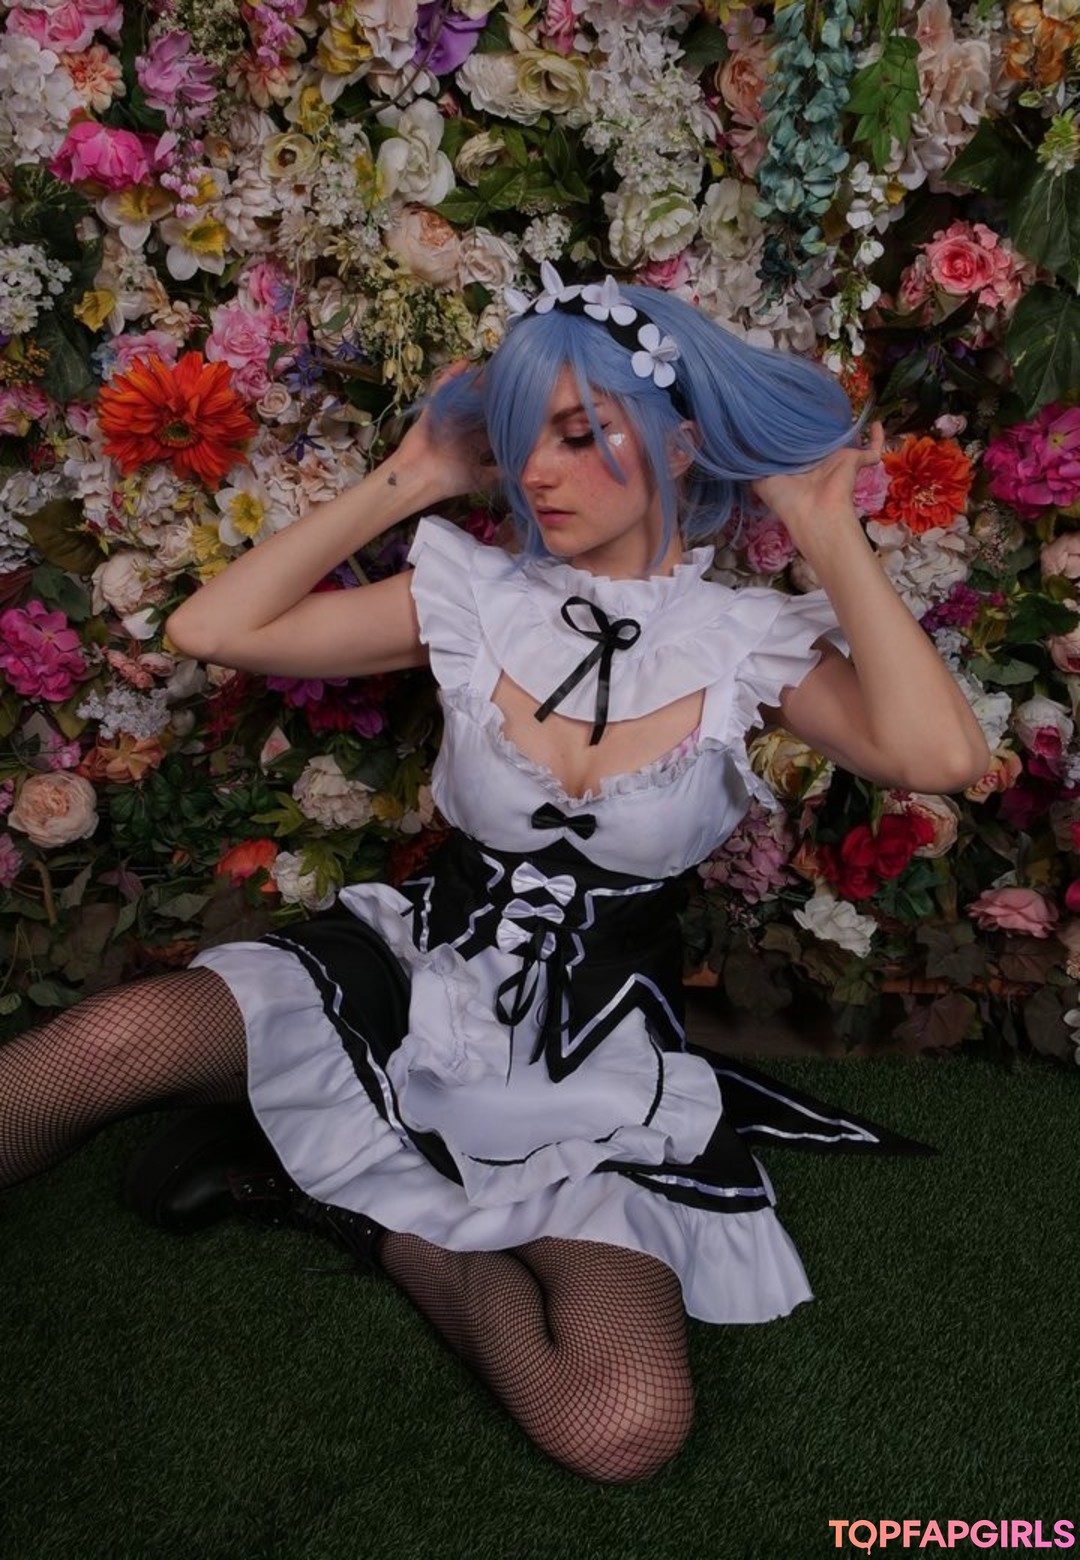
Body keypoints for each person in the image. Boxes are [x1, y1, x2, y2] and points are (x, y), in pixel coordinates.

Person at [0, 267, 990, 1484]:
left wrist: (829, 532)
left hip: (590, 1068)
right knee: (100, 1048)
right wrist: (412, 477)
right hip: (406, 973)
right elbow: (214, 632)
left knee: (622, 1422)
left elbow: (941, 759)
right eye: (523, 439)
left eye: (577, 435)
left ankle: (369, 1216)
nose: (536, 473)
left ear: (681, 445)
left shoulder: (746, 646)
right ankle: (329, 1127)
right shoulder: (476, 599)